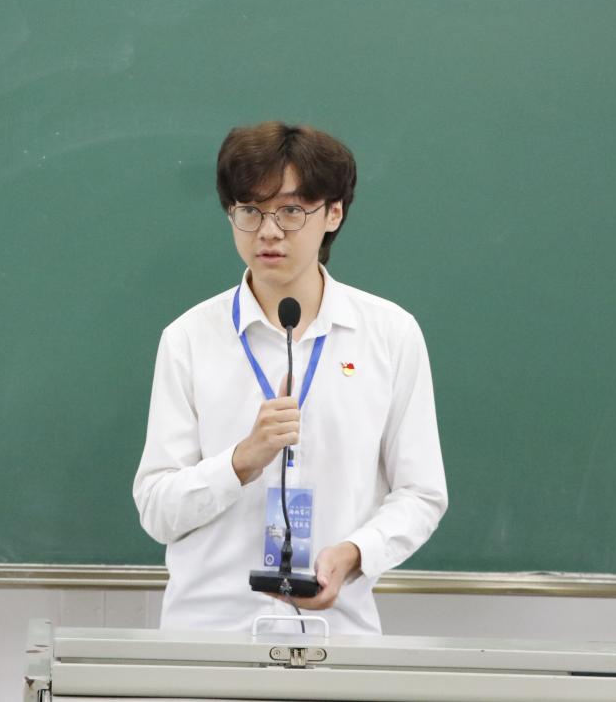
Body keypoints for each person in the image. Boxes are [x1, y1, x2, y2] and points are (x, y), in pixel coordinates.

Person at [133, 121, 448, 635]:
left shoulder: (390, 335)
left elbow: (421, 494)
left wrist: (355, 553)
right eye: (249, 210)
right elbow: (156, 509)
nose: (269, 231)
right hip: (209, 643)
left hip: (337, 639)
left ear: (333, 213)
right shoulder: (189, 339)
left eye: (291, 210)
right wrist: (241, 460)